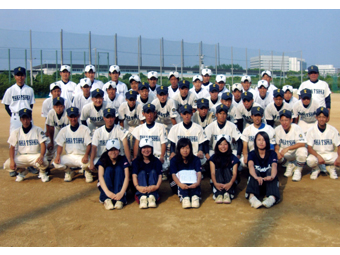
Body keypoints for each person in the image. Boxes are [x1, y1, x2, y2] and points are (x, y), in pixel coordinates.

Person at [3, 108, 49, 182]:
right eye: (23, 119)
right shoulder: (16, 132)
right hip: (22, 156)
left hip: (34, 156)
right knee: (7, 165)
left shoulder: (38, 130)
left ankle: (42, 173)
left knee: (44, 161)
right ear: (20, 119)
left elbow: (43, 144)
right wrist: (12, 160)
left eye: (27, 118)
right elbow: (12, 147)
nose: (25, 121)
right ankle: (22, 171)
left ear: (30, 118)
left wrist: (41, 156)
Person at [52, 107, 93, 183]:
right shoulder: (64, 130)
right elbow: (60, 145)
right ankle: (69, 171)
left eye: (75, 116)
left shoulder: (84, 129)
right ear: (68, 117)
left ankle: (87, 172)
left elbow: (89, 144)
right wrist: (58, 155)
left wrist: (86, 155)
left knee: (89, 163)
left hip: (82, 156)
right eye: (71, 117)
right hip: (70, 156)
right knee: (56, 163)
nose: (73, 119)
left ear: (78, 116)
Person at [90, 108, 131, 174]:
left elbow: (125, 144)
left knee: (117, 170)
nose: (109, 119)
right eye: (107, 117)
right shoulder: (98, 131)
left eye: (111, 117)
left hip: (117, 157)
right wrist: (91, 161)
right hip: (103, 158)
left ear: (114, 118)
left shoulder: (119, 129)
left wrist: (128, 160)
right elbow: (94, 147)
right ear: (104, 118)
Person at [245, 131, 280, 209]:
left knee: (270, 171)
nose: (261, 142)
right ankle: (252, 198)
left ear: (267, 142)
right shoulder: (251, 154)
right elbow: (250, 166)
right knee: (255, 172)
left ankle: (272, 198)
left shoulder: (272, 153)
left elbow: (274, 166)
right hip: (257, 182)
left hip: (268, 182)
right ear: (255, 141)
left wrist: (272, 176)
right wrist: (256, 177)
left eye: (264, 140)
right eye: (259, 140)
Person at [132, 103, 168, 174]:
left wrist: (162, 156)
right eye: (147, 112)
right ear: (143, 114)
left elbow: (163, 143)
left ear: (155, 113)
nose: (149, 115)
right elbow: (136, 144)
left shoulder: (161, 127)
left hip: (157, 156)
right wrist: (135, 157)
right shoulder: (139, 128)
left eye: (151, 112)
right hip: (143, 157)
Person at [306, 107, 340, 180]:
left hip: (329, 154)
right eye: (319, 117)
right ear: (316, 117)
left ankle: (331, 168)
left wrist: (339, 157)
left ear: (327, 118)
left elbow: (339, 145)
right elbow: (309, 148)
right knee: (310, 160)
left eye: (324, 117)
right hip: (316, 155)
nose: (321, 119)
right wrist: (318, 156)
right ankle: (316, 169)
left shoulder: (333, 130)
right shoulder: (311, 130)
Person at [96, 139, 130, 210]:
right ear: (107, 150)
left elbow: (127, 176)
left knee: (119, 169)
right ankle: (106, 199)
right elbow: (100, 177)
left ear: (119, 150)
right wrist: (108, 193)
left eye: (116, 149)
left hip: (120, 187)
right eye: (111, 150)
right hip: (106, 187)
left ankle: (120, 199)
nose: (113, 152)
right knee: (109, 169)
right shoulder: (103, 159)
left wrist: (121, 192)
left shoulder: (123, 159)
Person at [274, 110, 307, 181]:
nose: (284, 122)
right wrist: (277, 152)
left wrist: (288, 148)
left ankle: (298, 170)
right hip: (285, 154)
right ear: (280, 120)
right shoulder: (277, 129)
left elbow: (302, 143)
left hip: (294, 152)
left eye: (286, 120)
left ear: (291, 120)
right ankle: (290, 164)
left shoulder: (296, 128)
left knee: (302, 151)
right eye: (282, 120)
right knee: (273, 154)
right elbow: (277, 145)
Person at [169, 138, 202, 209]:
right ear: (179, 149)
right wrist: (180, 184)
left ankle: (195, 197)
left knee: (196, 181)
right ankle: (185, 197)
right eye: (182, 148)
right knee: (175, 184)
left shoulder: (196, 159)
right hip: (177, 183)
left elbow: (199, 173)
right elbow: (173, 175)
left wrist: (197, 183)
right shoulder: (174, 160)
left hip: (192, 183)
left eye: (187, 148)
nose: (185, 150)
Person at [2, 67, 35, 133]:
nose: (20, 77)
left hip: (27, 117)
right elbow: (6, 105)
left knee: (30, 135)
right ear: (15, 76)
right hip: (15, 117)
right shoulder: (10, 90)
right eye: (18, 75)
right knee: (14, 138)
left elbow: (31, 104)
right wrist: (13, 115)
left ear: (25, 76)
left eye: (22, 75)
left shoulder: (30, 90)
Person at [132, 138, 163, 209]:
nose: (146, 150)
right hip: (141, 187)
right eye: (144, 148)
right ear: (140, 149)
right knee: (142, 172)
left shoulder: (156, 161)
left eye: (148, 147)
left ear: (152, 149)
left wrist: (157, 186)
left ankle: (152, 197)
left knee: (153, 171)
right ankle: (142, 198)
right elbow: (134, 176)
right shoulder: (136, 161)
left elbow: (160, 176)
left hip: (153, 187)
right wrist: (138, 187)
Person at [209, 134, 239, 204]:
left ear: (229, 145)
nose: (223, 147)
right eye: (220, 144)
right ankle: (218, 193)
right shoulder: (213, 158)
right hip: (217, 181)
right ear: (217, 146)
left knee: (226, 170)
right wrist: (216, 183)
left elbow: (235, 173)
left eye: (225, 144)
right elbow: (212, 173)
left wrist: (230, 183)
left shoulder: (233, 157)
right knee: (219, 170)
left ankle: (227, 193)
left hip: (230, 182)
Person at [45, 97, 70, 168]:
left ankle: (70, 163)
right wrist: (51, 141)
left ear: (64, 106)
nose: (58, 108)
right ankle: (48, 162)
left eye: (60, 106)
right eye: (56, 106)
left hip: (66, 131)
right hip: (56, 130)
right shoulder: (51, 113)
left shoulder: (67, 113)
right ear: (53, 107)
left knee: (69, 146)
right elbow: (50, 126)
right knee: (51, 145)